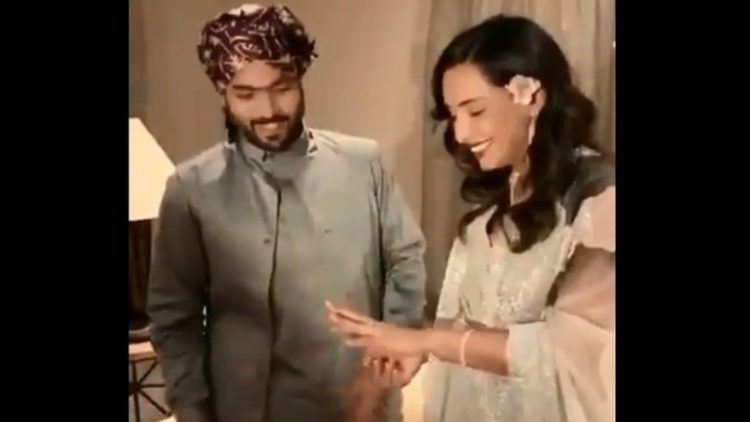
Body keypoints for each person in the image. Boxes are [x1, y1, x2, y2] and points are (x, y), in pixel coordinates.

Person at [328, 14, 614, 422]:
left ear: (533, 97)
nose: (460, 134)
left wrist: (425, 341)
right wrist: (414, 354)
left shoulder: (601, 200)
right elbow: (455, 334)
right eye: (452, 115)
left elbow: (571, 353)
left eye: (475, 111)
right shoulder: (482, 226)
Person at [146, 4, 426, 422]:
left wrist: (383, 367)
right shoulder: (191, 189)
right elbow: (174, 316)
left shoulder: (362, 163)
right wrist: (191, 409)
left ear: (301, 78)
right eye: (245, 94)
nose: (268, 109)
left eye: (282, 87)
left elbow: (405, 263)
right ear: (222, 92)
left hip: (355, 406)